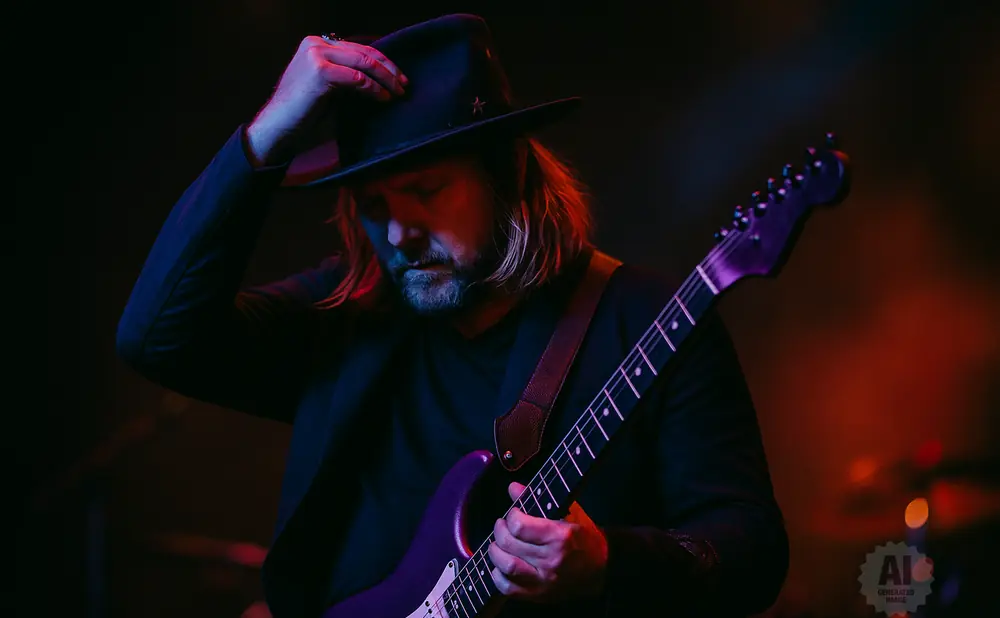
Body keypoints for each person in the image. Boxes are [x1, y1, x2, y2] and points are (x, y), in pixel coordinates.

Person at [116, 13, 789, 618]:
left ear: (506, 174)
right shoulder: (343, 318)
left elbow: (751, 551)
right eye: (373, 205)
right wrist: (264, 139)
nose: (399, 232)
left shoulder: (647, 319)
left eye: (427, 191)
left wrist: (609, 562)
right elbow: (156, 338)